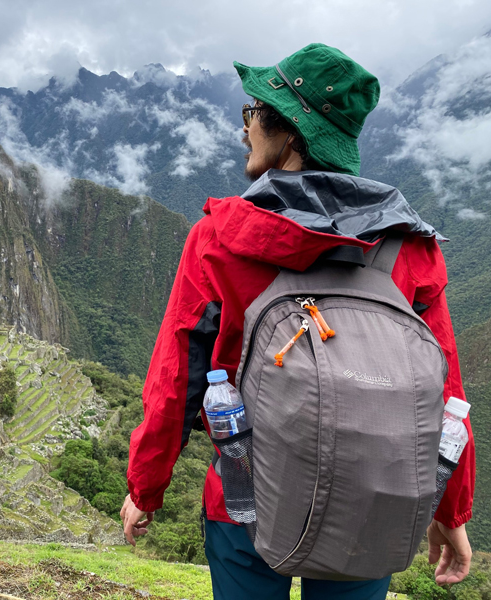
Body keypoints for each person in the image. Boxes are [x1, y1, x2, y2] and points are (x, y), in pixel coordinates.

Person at [120, 43, 474, 599]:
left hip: (245, 501)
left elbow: (177, 379)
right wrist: (450, 510)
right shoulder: (412, 250)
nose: (244, 129)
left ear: (288, 133)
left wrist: (147, 486)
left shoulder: (220, 239)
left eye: (253, 113)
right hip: (372, 502)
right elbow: (444, 391)